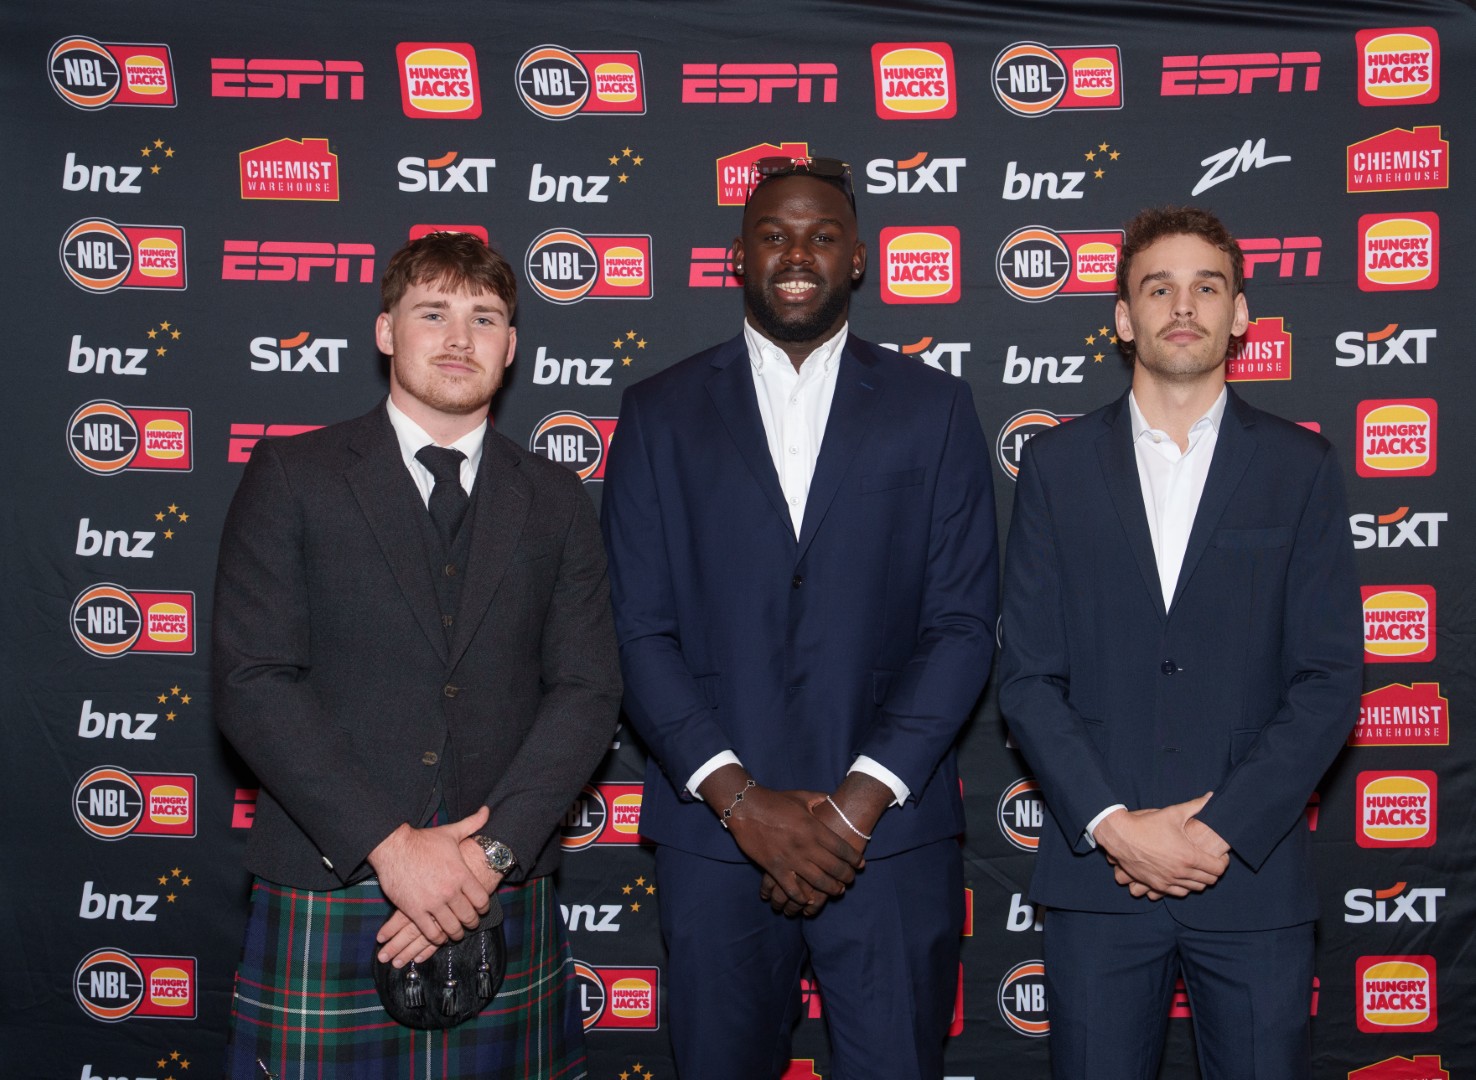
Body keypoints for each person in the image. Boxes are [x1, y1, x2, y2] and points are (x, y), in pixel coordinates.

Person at [600, 157, 998, 1078]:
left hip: (890, 840)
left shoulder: (935, 408)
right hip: (713, 842)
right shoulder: (658, 412)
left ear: (857, 258)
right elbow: (634, 629)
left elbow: (961, 625)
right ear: (737, 254)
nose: (796, 254)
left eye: (822, 236)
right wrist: (739, 801)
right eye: (774, 234)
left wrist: (858, 805)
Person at [213, 231, 622, 1080]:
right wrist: (390, 848)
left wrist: (488, 857)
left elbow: (587, 690)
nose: (459, 338)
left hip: (498, 890)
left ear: (512, 346)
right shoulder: (292, 473)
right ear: (385, 331)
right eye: (432, 313)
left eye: (485, 318)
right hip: (333, 878)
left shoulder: (556, 498)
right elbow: (254, 682)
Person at [997, 206, 1363, 1079]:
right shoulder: (1055, 467)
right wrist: (1115, 828)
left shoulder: (1300, 467)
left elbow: (1327, 678)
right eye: (1159, 289)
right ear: (1124, 318)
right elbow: (1028, 678)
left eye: (1208, 286)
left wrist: (1220, 830)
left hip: (1252, 879)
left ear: (1241, 313)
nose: (1184, 305)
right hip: (1099, 879)